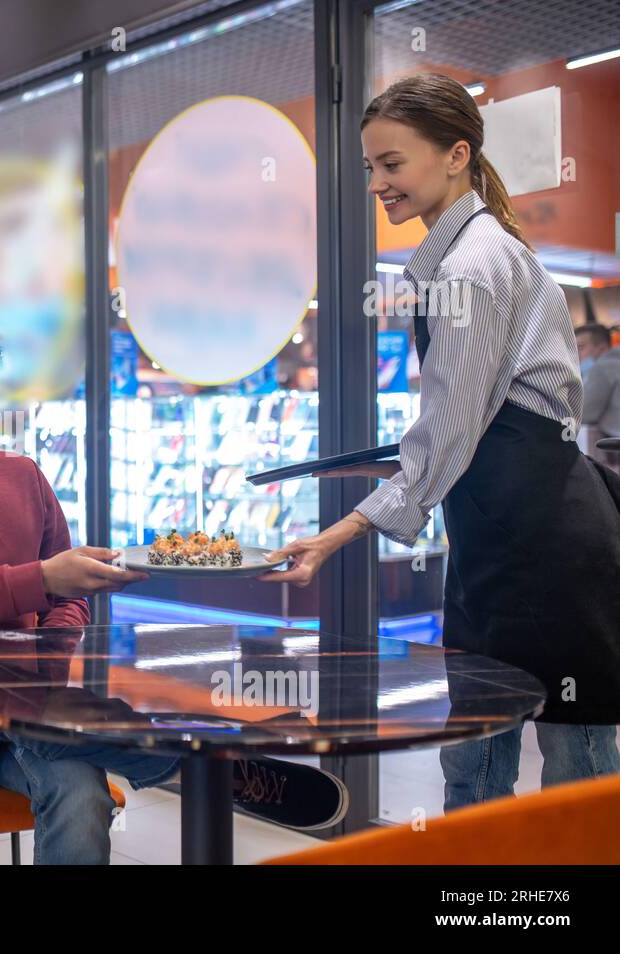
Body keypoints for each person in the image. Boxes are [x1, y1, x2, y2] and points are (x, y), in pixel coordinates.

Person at [0, 309, 345, 864]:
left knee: (80, 792)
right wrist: (41, 580)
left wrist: (50, 646)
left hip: (29, 714)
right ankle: (201, 764)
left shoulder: (23, 479)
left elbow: (66, 600)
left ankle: (196, 763)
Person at [260, 73, 620, 811]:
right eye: (370, 167)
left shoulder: (473, 266)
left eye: (391, 164)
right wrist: (394, 460)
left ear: (456, 155)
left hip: (549, 546)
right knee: (476, 755)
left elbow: (454, 430)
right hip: (498, 540)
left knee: (573, 764)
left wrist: (339, 534)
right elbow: (475, 423)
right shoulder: (466, 261)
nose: (377, 184)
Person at [577, 324, 620, 439]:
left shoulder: (601, 368)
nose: (576, 355)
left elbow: (584, 414)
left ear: (602, 349)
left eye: (580, 348)